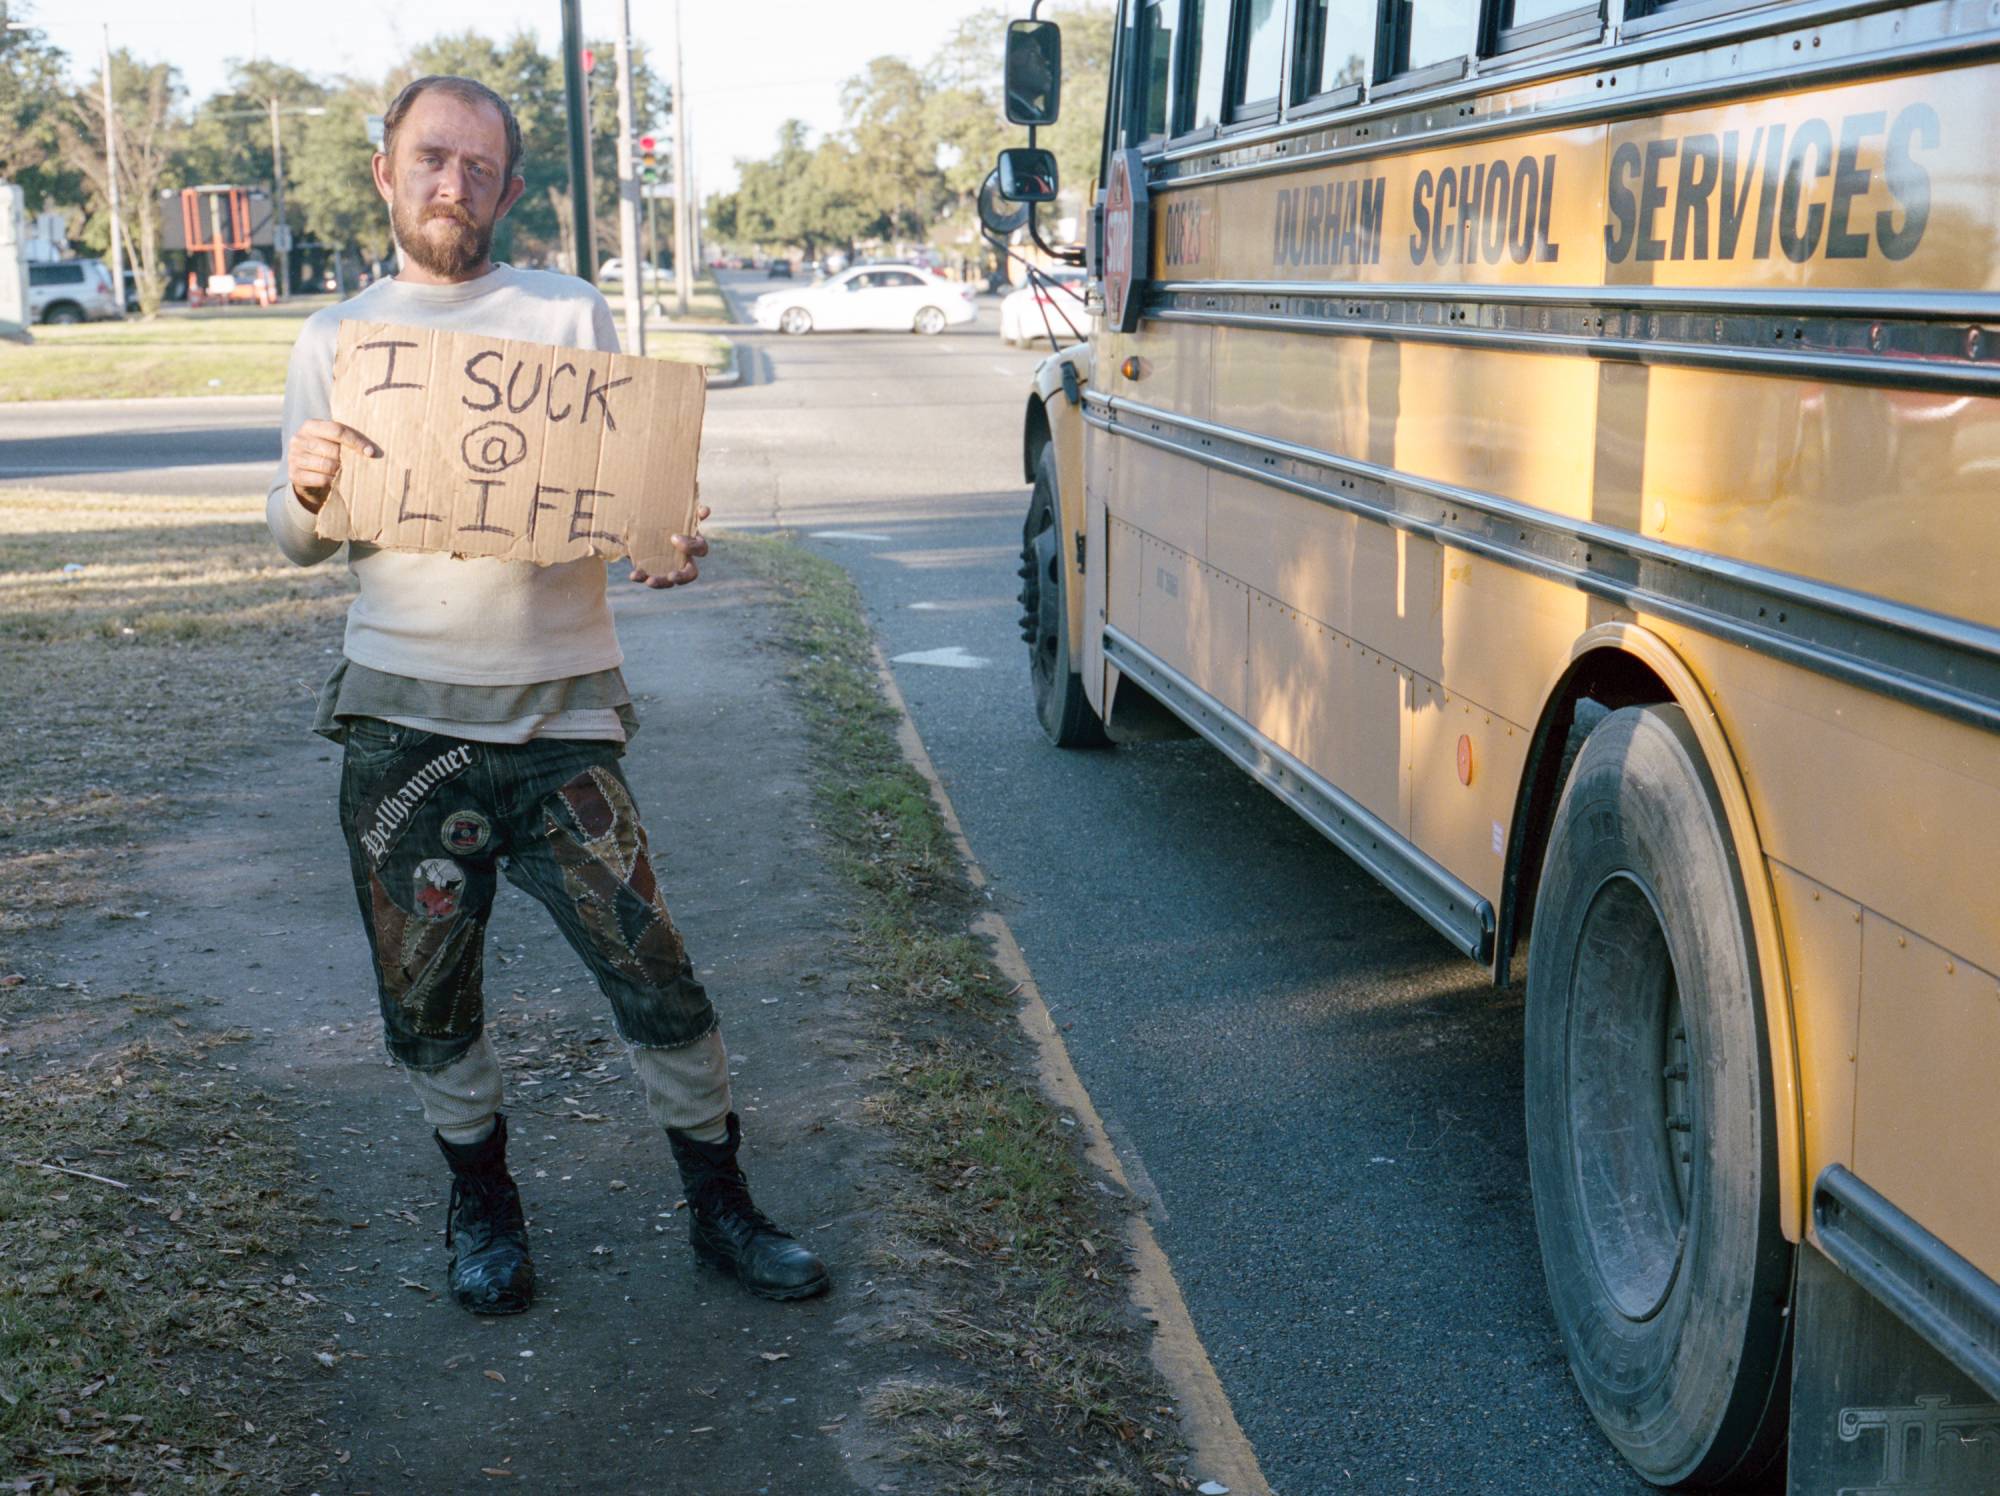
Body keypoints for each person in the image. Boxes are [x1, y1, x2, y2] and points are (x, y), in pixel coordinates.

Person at [265, 74, 828, 1314]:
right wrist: (302, 489)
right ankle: (483, 1205)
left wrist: (665, 541)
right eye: (430, 158)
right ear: (384, 171)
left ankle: (719, 1204)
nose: (452, 183)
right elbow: (295, 539)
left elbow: (636, 509)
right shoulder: (337, 341)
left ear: (510, 189)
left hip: (560, 720)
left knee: (657, 975)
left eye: (478, 166)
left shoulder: (566, 316)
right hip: (402, 727)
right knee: (426, 994)